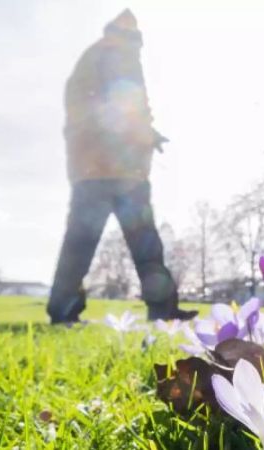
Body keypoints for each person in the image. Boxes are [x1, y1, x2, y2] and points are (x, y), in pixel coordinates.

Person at [47, 10, 196, 324]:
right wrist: (139, 133)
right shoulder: (111, 55)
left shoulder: (112, 57)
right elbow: (118, 109)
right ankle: (64, 310)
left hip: (120, 172)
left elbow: (133, 111)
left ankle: (162, 311)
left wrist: (148, 134)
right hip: (102, 171)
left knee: (140, 246)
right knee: (88, 243)